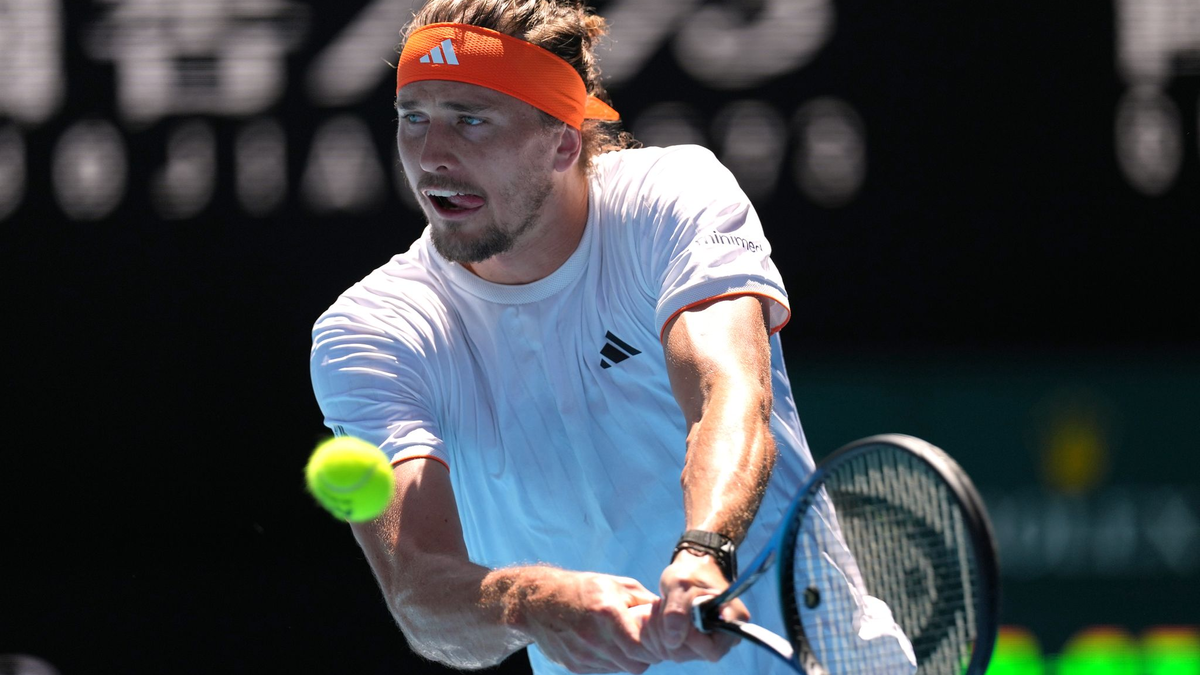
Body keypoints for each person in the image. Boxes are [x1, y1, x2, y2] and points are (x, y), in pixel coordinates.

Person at [309, 1, 848, 673]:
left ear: (564, 140)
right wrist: (536, 601)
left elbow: (726, 394)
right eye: (413, 117)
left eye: (470, 119)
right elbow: (421, 594)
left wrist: (704, 550)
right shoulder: (372, 331)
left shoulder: (673, 197)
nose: (431, 155)